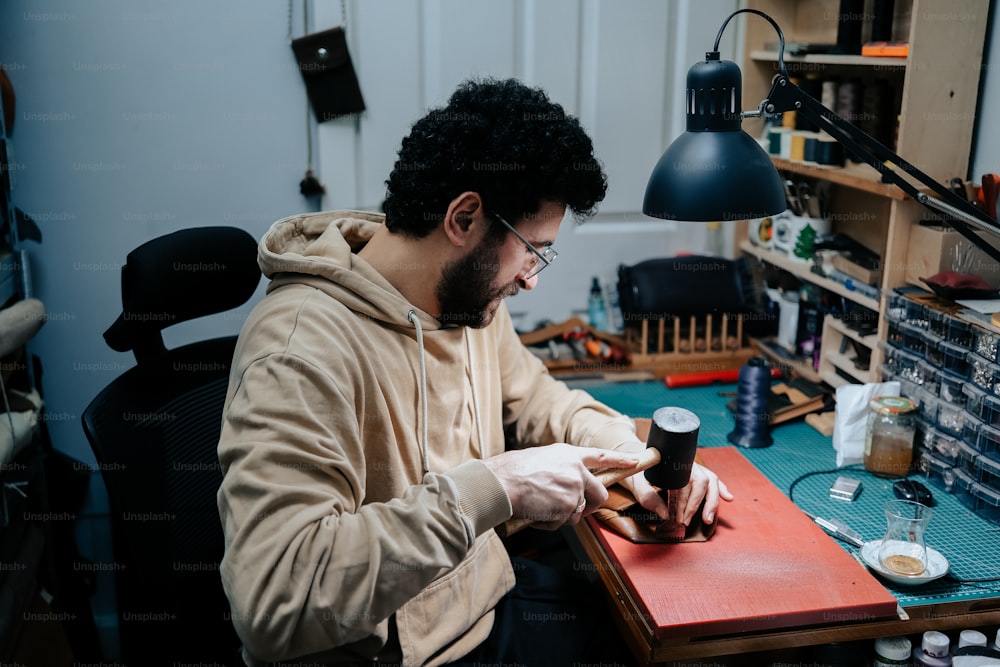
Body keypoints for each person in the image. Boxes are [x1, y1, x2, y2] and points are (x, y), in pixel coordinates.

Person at [217, 77, 733, 667]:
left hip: (483, 606)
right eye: (532, 250)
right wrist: (500, 487)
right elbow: (273, 602)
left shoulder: (469, 304)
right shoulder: (298, 348)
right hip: (379, 657)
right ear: (464, 218)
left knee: (677, 645)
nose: (533, 279)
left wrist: (631, 456)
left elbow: (538, 399)